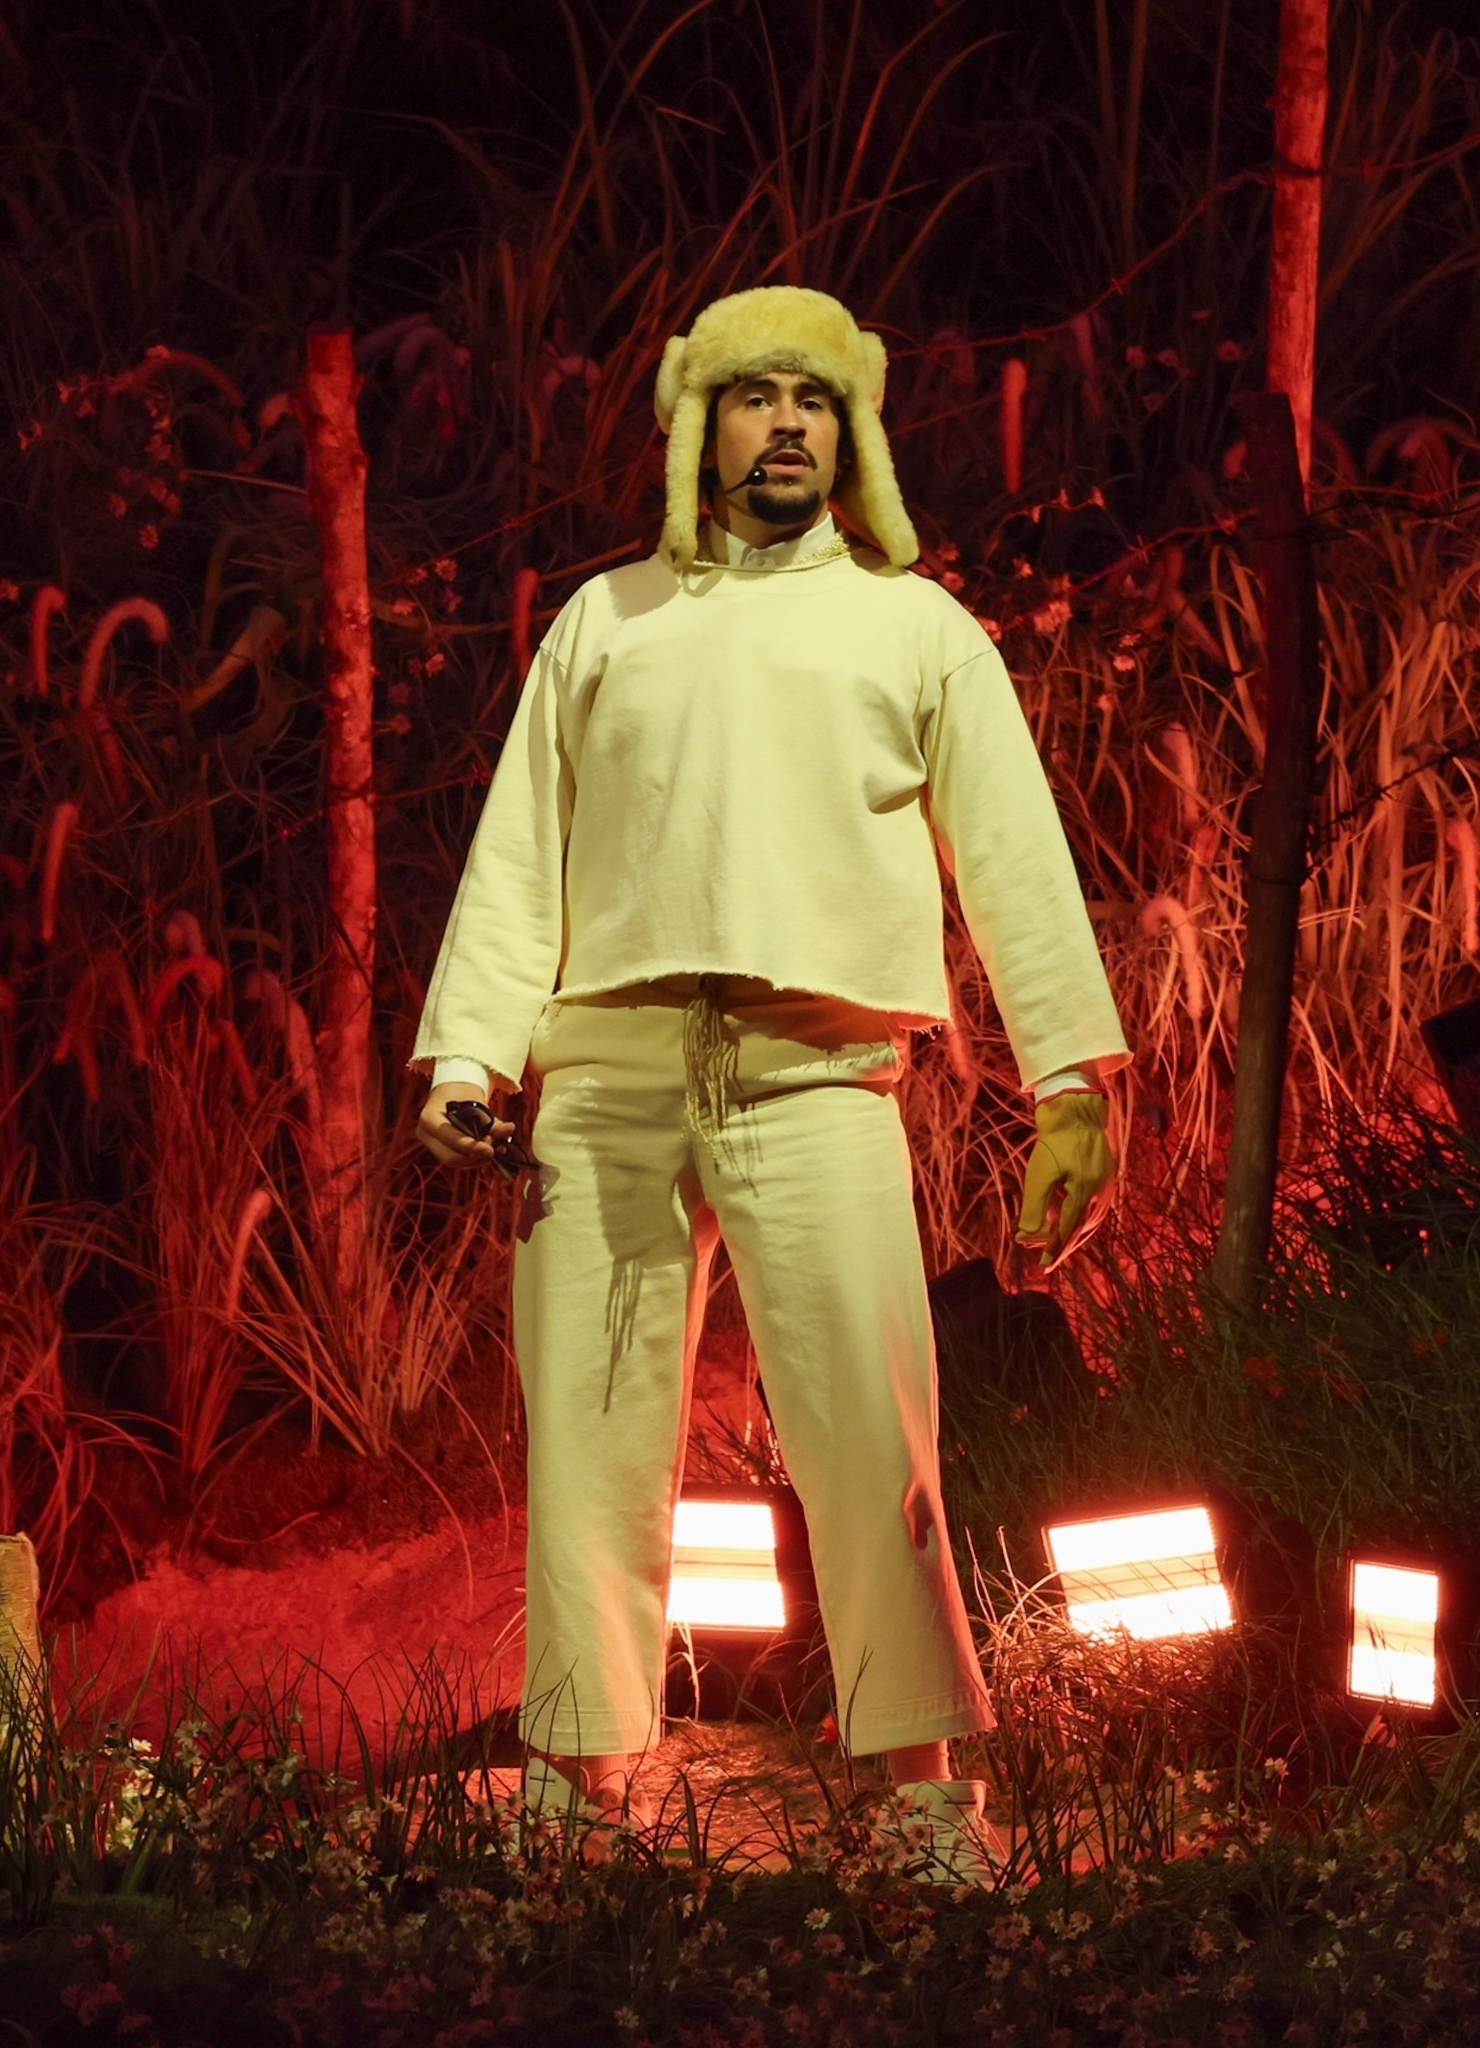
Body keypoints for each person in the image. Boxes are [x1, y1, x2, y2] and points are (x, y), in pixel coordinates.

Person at [412, 285, 1127, 1880]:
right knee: (588, 1433)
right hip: (606, 1075)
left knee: (874, 1433)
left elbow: (1012, 859)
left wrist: (1073, 1080)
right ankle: (575, 1773)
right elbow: (523, 849)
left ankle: (923, 1783)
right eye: (753, 396)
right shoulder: (609, 623)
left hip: (818, 1073)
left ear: (853, 427)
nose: (786, 421)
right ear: (698, 428)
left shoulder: (913, 628)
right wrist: (469, 1055)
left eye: (815, 396)